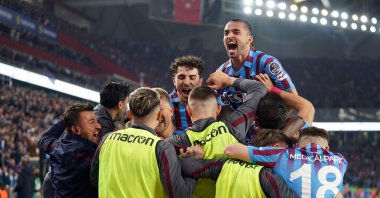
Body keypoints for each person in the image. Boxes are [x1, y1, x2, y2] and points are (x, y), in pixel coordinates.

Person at [167, 70, 266, 197]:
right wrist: (228, 80)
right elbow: (258, 88)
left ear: (189, 111)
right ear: (218, 109)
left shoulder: (179, 142)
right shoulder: (233, 126)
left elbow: (153, 152)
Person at [91, 87, 196, 198]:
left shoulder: (107, 139)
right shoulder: (161, 147)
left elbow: (94, 180)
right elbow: (180, 195)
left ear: (130, 115)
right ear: (159, 115)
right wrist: (192, 167)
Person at [224, 127, 348, 198]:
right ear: (327, 149)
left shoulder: (283, 155)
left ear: (297, 145)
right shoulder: (341, 161)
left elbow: (230, 150)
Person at [179, 129, 297, 198]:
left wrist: (192, 158)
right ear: (275, 147)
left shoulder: (224, 165)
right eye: (285, 149)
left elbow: (185, 167)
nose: (287, 154)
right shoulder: (270, 178)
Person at [218, 18, 297, 108]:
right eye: (226, 33)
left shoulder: (267, 64)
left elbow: (295, 100)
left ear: (249, 39)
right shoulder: (221, 71)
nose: (229, 36)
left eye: (236, 32)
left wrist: (272, 91)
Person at [38, 103, 101, 198]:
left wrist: (66, 119)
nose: (98, 126)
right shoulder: (89, 155)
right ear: (75, 129)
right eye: (92, 122)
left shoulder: (56, 147)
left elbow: (44, 138)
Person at [169, 55, 204, 135]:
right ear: (174, 80)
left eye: (192, 78)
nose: (186, 82)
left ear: (200, 82)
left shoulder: (210, 102)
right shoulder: (165, 104)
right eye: (181, 77)